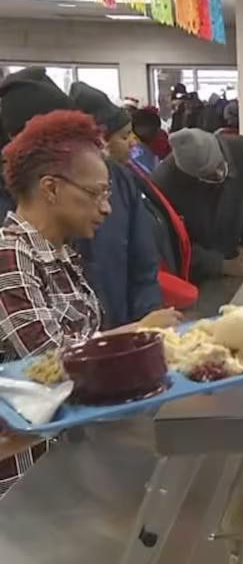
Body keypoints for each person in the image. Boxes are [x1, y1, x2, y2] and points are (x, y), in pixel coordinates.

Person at [0, 110, 180, 496]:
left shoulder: (62, 254)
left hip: (69, 454)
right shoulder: (10, 257)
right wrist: (138, 332)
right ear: (51, 188)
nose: (106, 208)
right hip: (27, 478)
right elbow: (50, 363)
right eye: (95, 194)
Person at [0, 69, 163, 329]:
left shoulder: (115, 178)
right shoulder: (14, 253)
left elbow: (143, 263)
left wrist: (145, 329)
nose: (105, 208)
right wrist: (130, 334)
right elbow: (48, 350)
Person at [68, 82, 165, 328]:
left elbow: (143, 259)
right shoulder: (60, 192)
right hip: (84, 333)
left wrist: (146, 321)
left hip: (126, 320)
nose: (133, 143)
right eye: (124, 136)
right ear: (99, 142)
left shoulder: (123, 180)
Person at [152, 128, 243, 282]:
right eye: (210, 177)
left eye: (220, 167)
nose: (219, 175)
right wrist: (221, 265)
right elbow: (171, 244)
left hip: (235, 254)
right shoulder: (163, 184)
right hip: (196, 274)